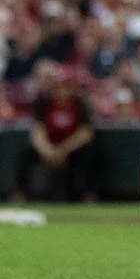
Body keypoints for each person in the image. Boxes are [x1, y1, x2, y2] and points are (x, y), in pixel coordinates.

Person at [15, 62, 101, 202]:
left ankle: (88, 194)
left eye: (66, 85)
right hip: (50, 146)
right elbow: (37, 132)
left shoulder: (79, 103)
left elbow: (85, 134)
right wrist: (49, 151)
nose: (61, 90)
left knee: (90, 154)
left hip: (71, 147)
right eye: (58, 86)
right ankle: (20, 193)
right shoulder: (43, 102)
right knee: (25, 154)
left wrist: (62, 151)